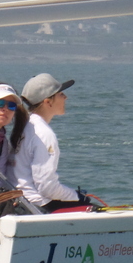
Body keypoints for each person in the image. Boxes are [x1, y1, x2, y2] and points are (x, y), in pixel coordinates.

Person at [7, 73, 91, 212]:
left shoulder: (25, 126)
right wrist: (77, 196)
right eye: (61, 94)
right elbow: (47, 187)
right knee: (92, 209)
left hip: (19, 201)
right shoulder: (44, 134)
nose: (65, 97)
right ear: (48, 102)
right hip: (36, 205)